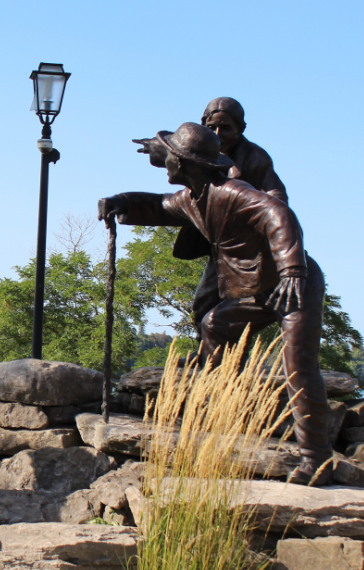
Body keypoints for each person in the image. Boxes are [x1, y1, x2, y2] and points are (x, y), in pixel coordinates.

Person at [99, 123, 333, 486]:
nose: (165, 165)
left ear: (183, 162)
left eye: (170, 157)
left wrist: (292, 270)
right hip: (256, 290)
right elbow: (159, 206)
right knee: (213, 325)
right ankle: (221, 412)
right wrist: (121, 202)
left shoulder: (232, 191)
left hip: (293, 286)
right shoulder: (194, 197)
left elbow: (278, 214)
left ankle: (317, 460)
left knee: (299, 368)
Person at [135, 97, 289, 340]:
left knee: (243, 304)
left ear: (241, 129)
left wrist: (262, 213)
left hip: (245, 245)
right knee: (204, 303)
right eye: (211, 127)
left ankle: (230, 360)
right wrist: (154, 148)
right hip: (217, 240)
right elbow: (177, 152)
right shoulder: (202, 148)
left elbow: (277, 196)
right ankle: (207, 355)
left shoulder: (255, 157)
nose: (218, 133)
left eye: (226, 128)